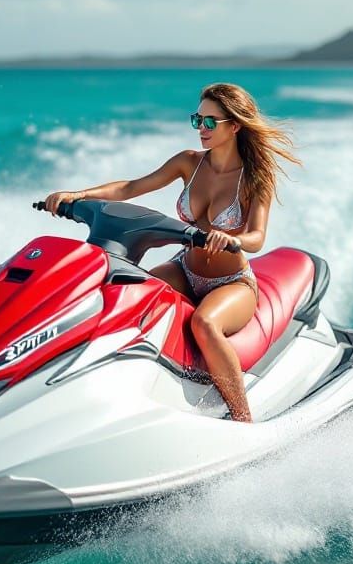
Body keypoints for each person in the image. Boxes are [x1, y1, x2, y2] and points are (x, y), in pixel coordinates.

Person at [43, 82, 299, 422]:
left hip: (231, 281)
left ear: (235, 126)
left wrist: (233, 239)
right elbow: (131, 187)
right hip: (185, 269)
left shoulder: (255, 176)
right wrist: (79, 195)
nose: (201, 129)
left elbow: (256, 237)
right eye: (197, 120)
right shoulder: (188, 162)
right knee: (130, 296)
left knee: (205, 323)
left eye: (210, 122)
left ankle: (243, 418)